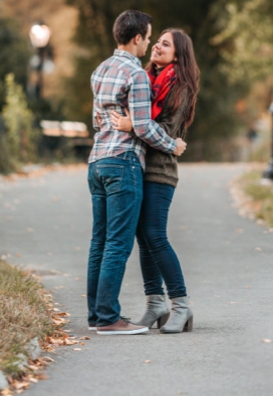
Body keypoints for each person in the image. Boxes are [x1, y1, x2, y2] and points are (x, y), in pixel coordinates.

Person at [86, 10, 188, 336]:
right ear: (137, 38)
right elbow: (143, 126)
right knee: (118, 243)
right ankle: (107, 318)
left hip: (97, 161)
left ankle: (96, 314)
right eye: (149, 37)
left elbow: (98, 122)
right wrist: (171, 145)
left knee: (99, 242)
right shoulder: (138, 75)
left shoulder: (100, 70)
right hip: (124, 162)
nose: (150, 44)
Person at [109, 28, 199, 334]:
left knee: (155, 235)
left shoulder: (180, 85)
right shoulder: (145, 79)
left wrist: (132, 124)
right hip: (138, 166)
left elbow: (167, 128)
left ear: (179, 54)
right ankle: (155, 303)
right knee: (143, 238)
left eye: (166, 44)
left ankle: (182, 306)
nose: (157, 46)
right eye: (157, 41)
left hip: (161, 171)